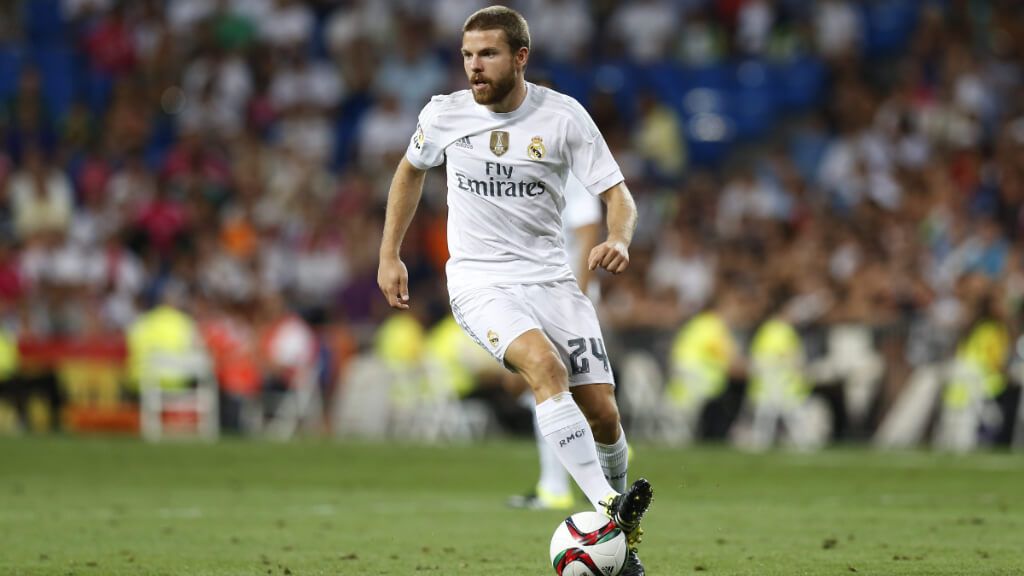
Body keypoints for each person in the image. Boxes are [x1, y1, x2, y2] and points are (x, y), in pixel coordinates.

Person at [376, 6, 653, 574]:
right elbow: (409, 171)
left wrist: (619, 240)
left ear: (520, 57)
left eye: (488, 55)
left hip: (552, 280)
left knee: (603, 413)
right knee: (543, 369)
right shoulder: (445, 114)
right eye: (468, 56)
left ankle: (624, 539)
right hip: (480, 280)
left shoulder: (564, 117)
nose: (474, 67)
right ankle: (608, 507)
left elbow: (618, 195)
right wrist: (389, 254)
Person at [506, 172, 601, 511]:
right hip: (537, 289)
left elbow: (588, 227)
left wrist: (578, 294)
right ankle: (558, 482)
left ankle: (558, 486)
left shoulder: (562, 164)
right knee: (550, 387)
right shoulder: (522, 162)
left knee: (548, 387)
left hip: (562, 293)